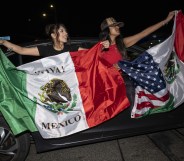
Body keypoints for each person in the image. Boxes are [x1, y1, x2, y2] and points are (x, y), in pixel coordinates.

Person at [99, 11, 175, 67]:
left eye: (117, 25)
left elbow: (143, 33)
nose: (118, 27)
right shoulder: (99, 46)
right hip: (103, 83)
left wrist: (166, 20)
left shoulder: (122, 43)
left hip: (119, 82)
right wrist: (103, 47)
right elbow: (90, 58)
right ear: (106, 30)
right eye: (114, 26)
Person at [0, 23, 85, 57]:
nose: (66, 33)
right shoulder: (46, 50)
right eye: (62, 31)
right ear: (54, 35)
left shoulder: (72, 49)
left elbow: (92, 52)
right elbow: (22, 50)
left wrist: (99, 46)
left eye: (66, 31)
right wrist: (4, 42)